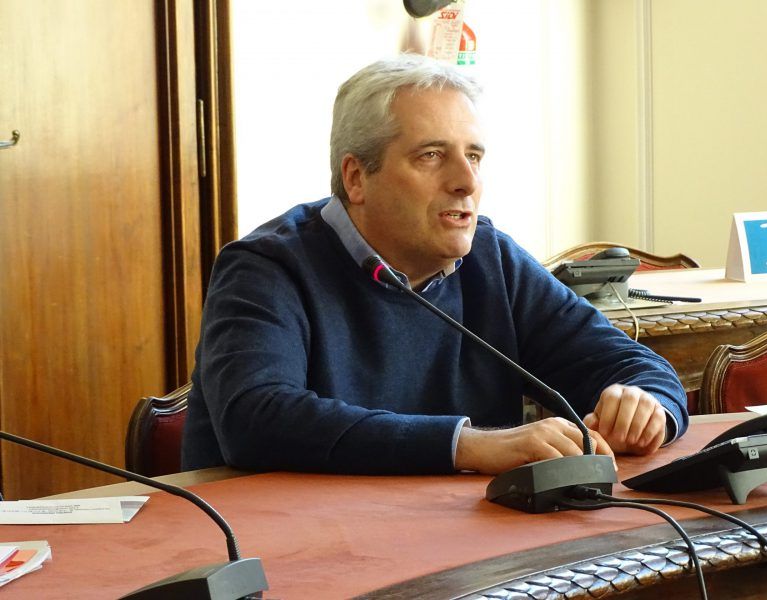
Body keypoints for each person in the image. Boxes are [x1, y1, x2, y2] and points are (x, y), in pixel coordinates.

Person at [181, 54, 688, 475]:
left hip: (461, 539)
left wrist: (646, 407)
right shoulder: (265, 268)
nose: (466, 182)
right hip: (287, 544)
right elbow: (256, 420)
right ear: (356, 178)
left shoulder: (492, 258)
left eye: (475, 156)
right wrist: (467, 446)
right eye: (431, 155)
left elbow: (634, 366)